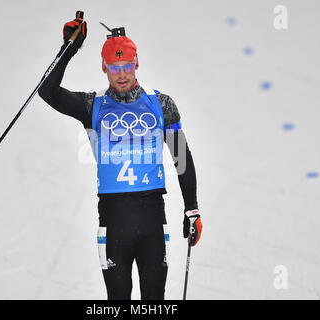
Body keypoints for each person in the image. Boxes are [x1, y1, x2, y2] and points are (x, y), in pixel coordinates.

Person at [38, 15, 202, 300]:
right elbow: (47, 91)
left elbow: (182, 160)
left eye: (127, 65)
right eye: (114, 68)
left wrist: (192, 209)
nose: (122, 74)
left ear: (136, 63)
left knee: (154, 300)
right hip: (113, 221)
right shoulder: (92, 106)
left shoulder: (161, 104)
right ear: (104, 67)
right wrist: (68, 49)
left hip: (152, 217)